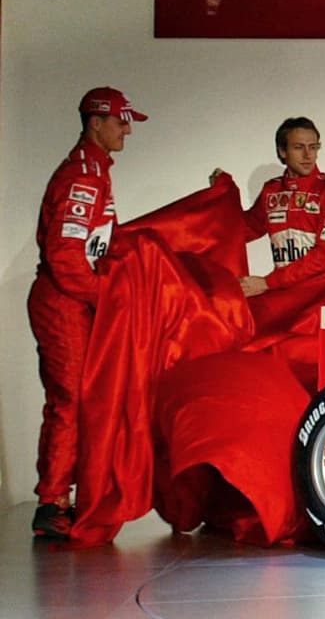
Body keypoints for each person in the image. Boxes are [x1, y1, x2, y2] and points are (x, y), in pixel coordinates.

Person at [28, 88, 146, 541]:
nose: (127, 130)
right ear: (96, 122)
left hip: (74, 298)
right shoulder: (84, 176)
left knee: (82, 399)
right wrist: (106, 296)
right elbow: (64, 257)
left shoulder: (96, 172)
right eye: (121, 121)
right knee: (71, 399)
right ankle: (51, 502)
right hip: (63, 300)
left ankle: (63, 495)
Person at [223, 118, 325, 296]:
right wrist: (221, 193)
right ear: (282, 151)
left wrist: (267, 283)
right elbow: (239, 231)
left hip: (320, 296)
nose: (308, 155)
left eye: (314, 147)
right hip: (283, 296)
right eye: (299, 147)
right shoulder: (272, 190)